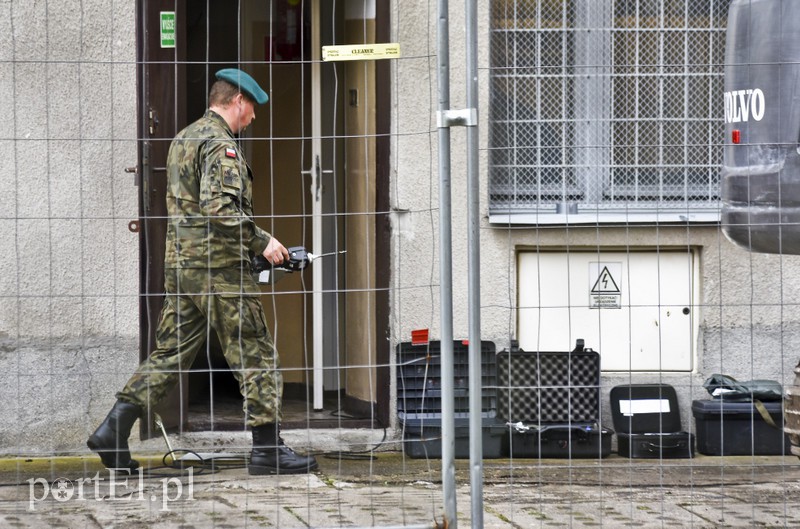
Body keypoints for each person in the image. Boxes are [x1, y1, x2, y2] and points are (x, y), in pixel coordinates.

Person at [87, 68, 318, 475]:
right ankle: (268, 449)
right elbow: (219, 208)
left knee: (171, 352)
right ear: (238, 101)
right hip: (220, 271)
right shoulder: (220, 144)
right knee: (256, 351)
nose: (254, 117)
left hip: (183, 268)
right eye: (252, 107)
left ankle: (114, 428)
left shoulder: (184, 138)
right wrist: (262, 241)